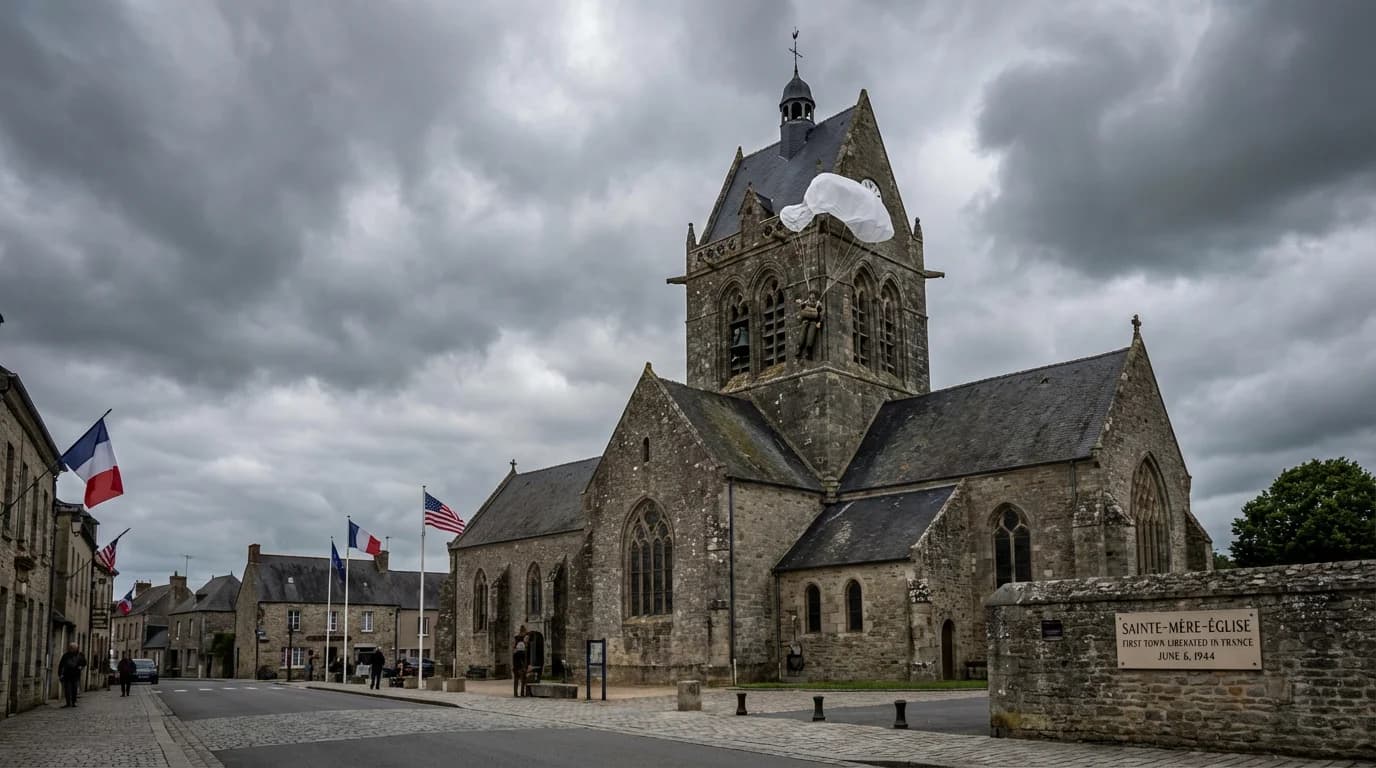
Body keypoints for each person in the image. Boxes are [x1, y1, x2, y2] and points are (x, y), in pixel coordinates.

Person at [58, 642, 87, 708]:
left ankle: (73, 702)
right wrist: (60, 674)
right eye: (71, 648)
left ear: (76, 648)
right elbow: (61, 665)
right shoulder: (66, 655)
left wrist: (81, 666)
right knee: (67, 690)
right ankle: (68, 703)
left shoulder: (80, 655)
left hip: (75, 675)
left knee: (74, 689)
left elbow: (84, 662)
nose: (71, 649)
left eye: (73, 648)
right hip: (67, 675)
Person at [512, 625, 528, 698]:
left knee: (517, 679)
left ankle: (516, 693)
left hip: (516, 662)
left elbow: (514, 650)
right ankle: (521, 693)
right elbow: (521, 656)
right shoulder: (521, 641)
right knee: (522, 679)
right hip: (519, 663)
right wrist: (523, 666)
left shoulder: (517, 639)